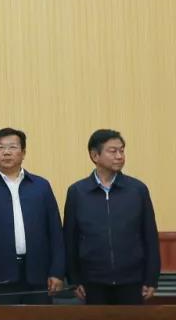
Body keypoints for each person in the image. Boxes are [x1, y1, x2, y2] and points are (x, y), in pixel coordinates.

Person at [0, 128, 65, 304]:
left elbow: (55, 230)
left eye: (12, 147)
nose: (6, 152)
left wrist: (57, 271)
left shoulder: (41, 186)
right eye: (0, 147)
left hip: (38, 274)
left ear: (23, 152)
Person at [64, 129, 160, 305]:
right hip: (92, 281)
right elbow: (71, 239)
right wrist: (74, 279)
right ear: (95, 155)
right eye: (112, 151)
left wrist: (151, 278)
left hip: (132, 280)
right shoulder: (77, 192)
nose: (119, 156)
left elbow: (150, 236)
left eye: (122, 150)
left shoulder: (137, 190)